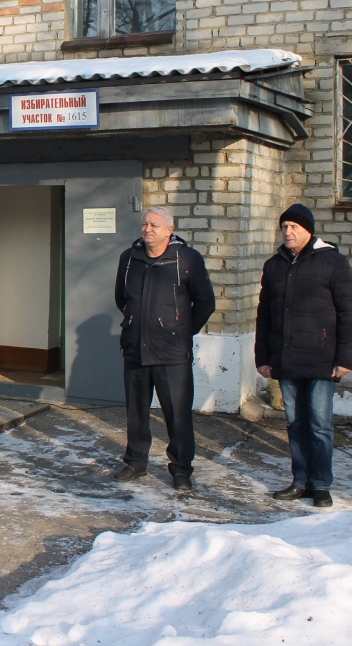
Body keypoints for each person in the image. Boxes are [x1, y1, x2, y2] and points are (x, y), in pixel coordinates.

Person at [255, 203, 352, 508]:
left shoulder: (333, 262)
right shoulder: (274, 265)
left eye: (294, 227)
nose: (287, 232)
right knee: (295, 424)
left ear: (308, 230)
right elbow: (264, 315)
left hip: (321, 359)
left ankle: (321, 484)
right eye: (284, 227)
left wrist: (345, 358)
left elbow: (349, 312)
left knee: (319, 425)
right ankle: (300, 481)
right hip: (286, 359)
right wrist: (263, 356)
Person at [113, 206, 216, 491]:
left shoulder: (187, 259)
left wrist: (181, 331)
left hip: (171, 353)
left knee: (177, 414)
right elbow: (121, 299)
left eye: (154, 225)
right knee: (136, 412)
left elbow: (205, 303)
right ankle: (135, 462)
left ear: (169, 230)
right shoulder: (129, 258)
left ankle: (181, 469)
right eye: (144, 224)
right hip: (135, 348)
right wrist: (135, 323)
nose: (147, 229)